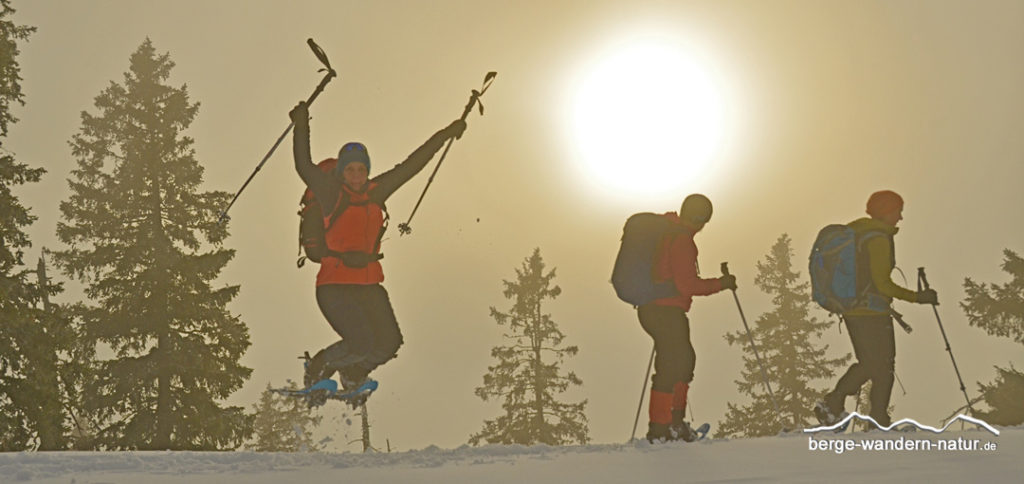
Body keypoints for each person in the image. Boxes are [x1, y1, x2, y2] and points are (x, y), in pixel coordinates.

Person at [289, 100, 466, 403]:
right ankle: (318, 369)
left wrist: (447, 133)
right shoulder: (331, 194)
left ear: (367, 170)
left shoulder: (377, 191)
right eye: (351, 169)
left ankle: (354, 374)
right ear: (342, 173)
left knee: (388, 342)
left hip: (369, 284)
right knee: (360, 340)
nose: (356, 175)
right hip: (335, 286)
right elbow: (304, 165)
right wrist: (302, 122)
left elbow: (414, 164)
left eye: (361, 169)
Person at [815, 190, 938, 428]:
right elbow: (883, 283)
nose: (900, 217)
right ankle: (846, 408)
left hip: (852, 310)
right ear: (886, 211)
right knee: (882, 366)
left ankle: (861, 413)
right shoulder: (878, 239)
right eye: (897, 211)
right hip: (872, 312)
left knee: (871, 363)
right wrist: (917, 297)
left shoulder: (858, 233)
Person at [641, 194, 736, 443]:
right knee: (673, 365)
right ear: (699, 218)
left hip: (652, 309)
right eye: (704, 220)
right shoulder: (682, 241)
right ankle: (663, 428)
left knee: (680, 362)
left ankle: (671, 423)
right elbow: (687, 285)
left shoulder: (668, 233)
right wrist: (720, 283)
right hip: (667, 311)